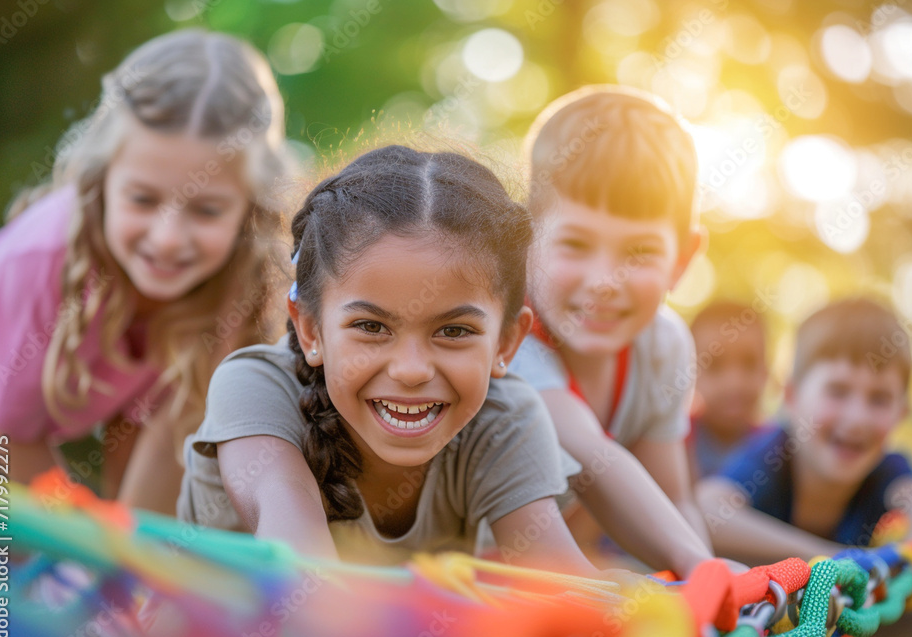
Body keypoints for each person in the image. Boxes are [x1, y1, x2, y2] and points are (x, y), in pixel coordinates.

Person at [177, 145, 603, 575]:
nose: (411, 370)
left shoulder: (505, 417)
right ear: (310, 329)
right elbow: (299, 558)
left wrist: (627, 609)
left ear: (506, 343)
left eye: (453, 331)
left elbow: (564, 582)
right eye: (371, 327)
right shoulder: (254, 388)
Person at [0, 30, 294, 514]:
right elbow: (7, 441)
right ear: (102, 180)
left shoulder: (236, 283)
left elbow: (165, 442)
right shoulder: (39, 262)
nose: (167, 239)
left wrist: (131, 571)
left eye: (207, 210)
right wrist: (80, 559)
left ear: (249, 210)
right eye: (143, 199)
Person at [509, 85, 714, 576]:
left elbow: (675, 499)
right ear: (526, 238)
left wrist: (713, 591)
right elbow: (594, 457)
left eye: (639, 253)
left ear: (681, 261)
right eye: (576, 244)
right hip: (446, 575)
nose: (604, 282)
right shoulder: (504, 336)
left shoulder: (663, 347)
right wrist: (701, 569)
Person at [697, 299, 912, 564]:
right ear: (791, 397)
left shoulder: (890, 470)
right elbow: (707, 511)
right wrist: (836, 558)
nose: (857, 419)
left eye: (879, 399)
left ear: (901, 414)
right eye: (838, 391)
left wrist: (910, 548)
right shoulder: (775, 452)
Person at [688, 301, 770, 481]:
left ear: (766, 371)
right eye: (715, 365)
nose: (734, 383)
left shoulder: (776, 447)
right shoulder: (673, 440)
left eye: (749, 364)